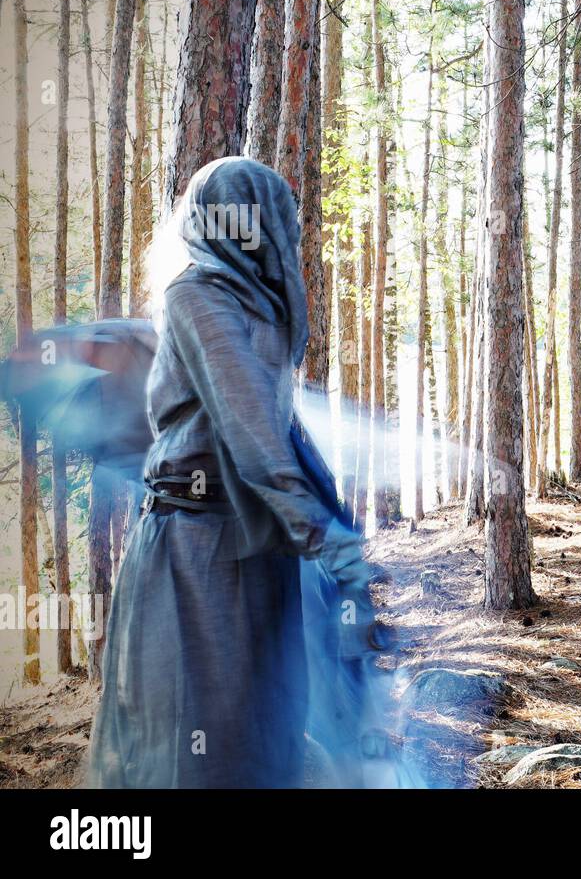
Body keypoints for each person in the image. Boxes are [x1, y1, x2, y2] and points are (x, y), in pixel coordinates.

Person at [84, 157, 384, 788]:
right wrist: (324, 535)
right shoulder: (195, 296)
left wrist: (327, 519)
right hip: (194, 556)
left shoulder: (262, 311)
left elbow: (279, 425)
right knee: (194, 746)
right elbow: (249, 422)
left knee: (265, 735)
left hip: (260, 548)